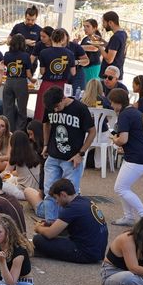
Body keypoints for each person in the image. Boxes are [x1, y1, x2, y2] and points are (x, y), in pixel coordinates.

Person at [36, 87, 96, 220]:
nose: (55, 110)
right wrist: (45, 144)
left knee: (69, 195)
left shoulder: (80, 108)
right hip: (53, 156)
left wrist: (81, 153)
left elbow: (92, 131)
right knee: (49, 192)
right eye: (53, 108)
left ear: (63, 98)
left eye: (57, 106)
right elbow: (46, 123)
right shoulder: (51, 105)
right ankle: (50, 222)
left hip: (71, 159)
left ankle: (69, 224)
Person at [107, 88, 143, 226]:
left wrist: (115, 140)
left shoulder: (125, 115)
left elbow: (123, 139)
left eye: (112, 102)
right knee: (124, 187)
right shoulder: (134, 112)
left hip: (137, 158)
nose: (111, 105)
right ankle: (128, 217)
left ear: (118, 103)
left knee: (120, 188)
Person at [32, 179, 108, 265]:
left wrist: (38, 228)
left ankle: (47, 252)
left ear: (63, 194)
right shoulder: (84, 201)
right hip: (98, 251)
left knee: (38, 239)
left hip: (85, 253)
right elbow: (71, 224)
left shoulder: (71, 208)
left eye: (56, 198)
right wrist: (52, 224)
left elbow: (50, 234)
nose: (56, 202)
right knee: (60, 234)